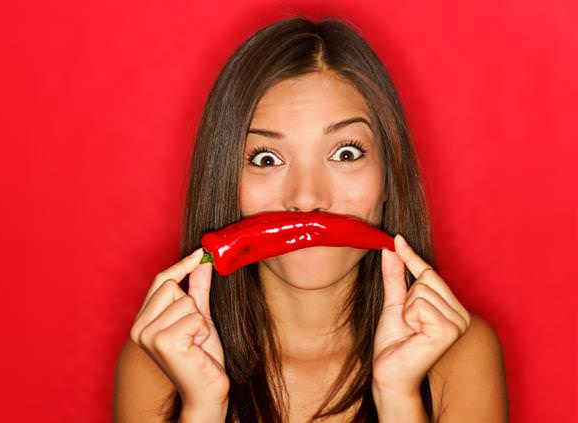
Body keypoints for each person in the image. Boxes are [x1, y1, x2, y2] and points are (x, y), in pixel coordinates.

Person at [113, 15, 509, 423]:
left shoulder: (460, 354)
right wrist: (203, 408)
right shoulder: (158, 363)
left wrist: (398, 397)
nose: (307, 198)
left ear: (391, 177)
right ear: (225, 183)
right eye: (267, 159)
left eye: (345, 153)